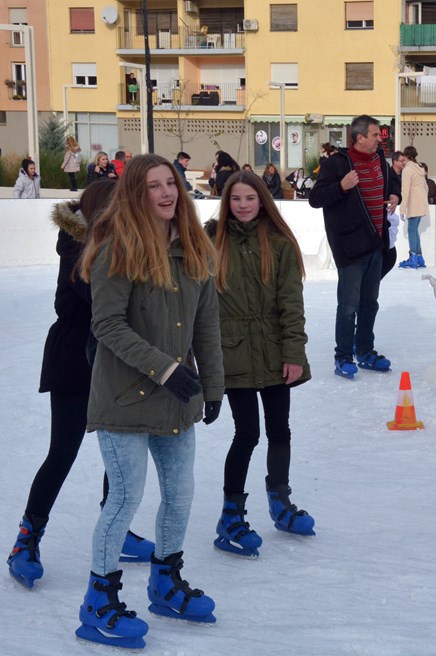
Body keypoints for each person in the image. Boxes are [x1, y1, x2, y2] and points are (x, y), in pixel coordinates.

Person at [75, 154, 223, 648]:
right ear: (135, 194)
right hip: (124, 397)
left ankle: (165, 581)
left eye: (172, 184)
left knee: (180, 496)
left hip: (176, 401)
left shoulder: (193, 248)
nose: (165, 193)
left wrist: (214, 384)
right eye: (154, 186)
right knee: (125, 497)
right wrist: (166, 368)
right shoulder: (117, 248)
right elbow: (107, 324)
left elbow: (206, 324)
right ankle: (98, 600)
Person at [7, 179, 156, 591]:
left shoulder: (126, 243)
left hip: (112, 359)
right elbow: (94, 302)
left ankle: (117, 527)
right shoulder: (78, 246)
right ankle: (26, 540)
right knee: (63, 451)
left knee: (120, 453)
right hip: (74, 358)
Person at [207, 172, 313, 559]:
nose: (243, 205)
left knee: (279, 429)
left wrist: (293, 353)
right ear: (226, 201)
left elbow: (292, 304)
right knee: (246, 433)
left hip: (272, 350)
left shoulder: (279, 243)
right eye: (236, 199)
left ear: (263, 199)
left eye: (250, 198)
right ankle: (231, 513)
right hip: (232, 350)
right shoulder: (212, 240)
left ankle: (279, 500)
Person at [309, 114, 400, 380]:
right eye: (375, 135)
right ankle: (343, 356)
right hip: (350, 247)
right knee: (348, 305)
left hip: (376, 244)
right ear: (359, 137)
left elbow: (391, 183)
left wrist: (396, 194)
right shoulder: (337, 164)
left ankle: (366, 351)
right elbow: (315, 198)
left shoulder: (379, 161)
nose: (379, 139)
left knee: (370, 303)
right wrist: (341, 186)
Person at [398, 145, 429, 269]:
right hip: (421, 202)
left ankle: (413, 257)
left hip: (413, 202)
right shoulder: (420, 168)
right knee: (415, 230)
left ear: (405, 156)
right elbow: (425, 187)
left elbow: (405, 190)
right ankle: (419, 257)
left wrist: (402, 208)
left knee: (411, 230)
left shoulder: (408, 170)